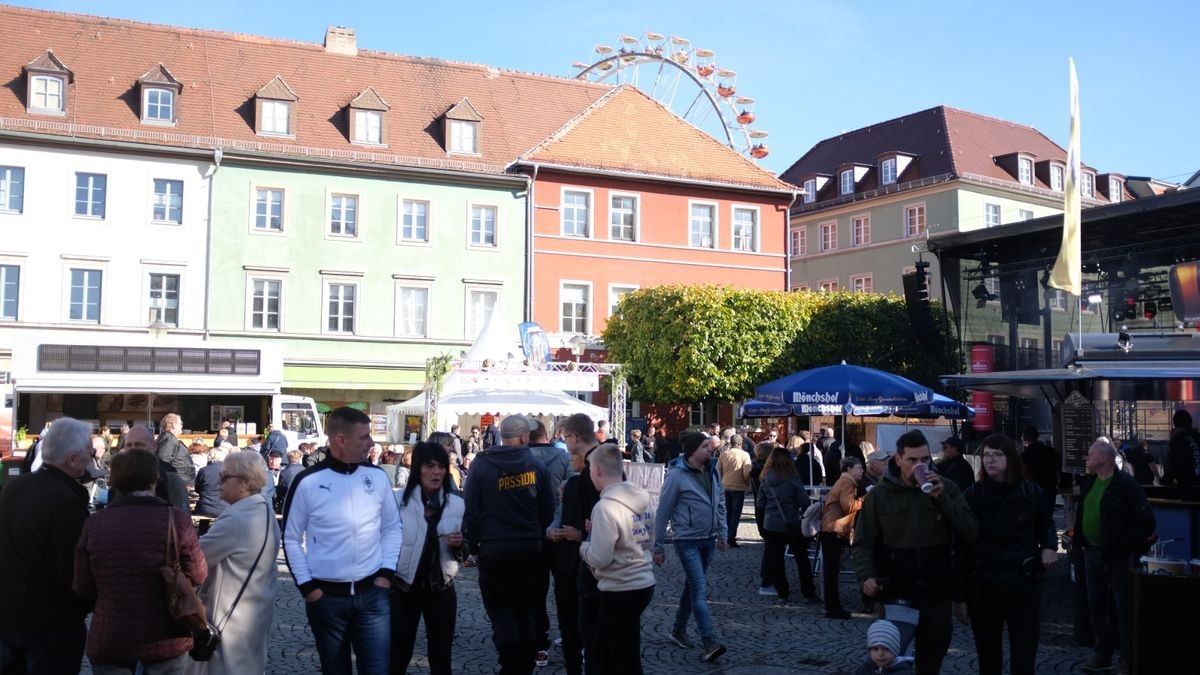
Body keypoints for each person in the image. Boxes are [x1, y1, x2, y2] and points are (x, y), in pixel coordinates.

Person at [282, 407, 402, 675]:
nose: (372, 444)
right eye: (364, 437)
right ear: (340, 440)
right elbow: (290, 538)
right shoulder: (307, 481)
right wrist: (308, 588)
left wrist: (386, 574)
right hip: (326, 599)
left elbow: (393, 526)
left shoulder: (378, 477)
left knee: (378, 671)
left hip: (373, 595)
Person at [852, 429, 979, 675]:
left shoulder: (947, 488)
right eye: (912, 460)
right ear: (898, 459)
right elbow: (863, 542)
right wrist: (866, 576)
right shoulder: (880, 495)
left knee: (931, 661)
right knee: (892, 663)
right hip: (894, 592)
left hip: (936, 592)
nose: (919, 465)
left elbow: (971, 531)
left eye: (924, 459)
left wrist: (942, 498)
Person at [73, 448, 208, 674]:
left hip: (111, 633)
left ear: (114, 481)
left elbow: (83, 586)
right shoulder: (176, 520)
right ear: (154, 478)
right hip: (166, 634)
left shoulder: (96, 524)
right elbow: (198, 574)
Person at [953, 434, 1057, 675]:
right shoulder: (973, 495)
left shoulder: (1030, 492)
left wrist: (1049, 546)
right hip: (984, 586)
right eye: (986, 455)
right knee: (988, 659)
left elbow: (1046, 524)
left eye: (997, 455)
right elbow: (961, 546)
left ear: (1010, 458)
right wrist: (960, 595)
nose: (990, 461)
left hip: (1022, 585)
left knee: (1024, 658)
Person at [462, 415, 554, 675]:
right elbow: (547, 512)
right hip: (528, 549)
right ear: (524, 438)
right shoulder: (537, 467)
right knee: (525, 607)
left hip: (494, 549)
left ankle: (510, 660)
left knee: (500, 608)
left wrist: (474, 546)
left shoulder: (481, 465)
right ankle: (524, 662)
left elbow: (470, 509)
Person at [0, 417, 93, 673]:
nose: (92, 457)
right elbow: (74, 568)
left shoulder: (14, 488)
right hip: (51, 624)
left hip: (10, 615)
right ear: (72, 459)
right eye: (90, 451)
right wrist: (88, 603)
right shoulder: (65, 501)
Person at [186, 451, 280, 675]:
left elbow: (194, 558)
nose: (218, 481)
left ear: (246, 483)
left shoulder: (236, 518)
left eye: (225, 477)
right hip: (253, 614)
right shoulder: (263, 509)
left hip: (228, 619)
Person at [1073, 438, 1156, 673]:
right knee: (1096, 605)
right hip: (1091, 551)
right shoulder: (1090, 482)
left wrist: (1129, 544)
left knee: (1122, 606)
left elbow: (1146, 519)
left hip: (1117, 554)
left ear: (1104, 458)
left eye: (1090, 454)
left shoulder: (1125, 484)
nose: (1087, 458)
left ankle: (1127, 658)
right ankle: (1103, 654)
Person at [391, 442, 467, 675]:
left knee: (441, 654)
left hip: (441, 588)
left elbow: (466, 550)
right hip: (403, 587)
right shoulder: (397, 502)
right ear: (417, 468)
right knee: (398, 652)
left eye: (442, 467)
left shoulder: (457, 504)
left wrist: (460, 544)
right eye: (430, 466)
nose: (437, 472)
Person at [580, 443, 655, 675]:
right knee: (620, 651)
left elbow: (600, 558)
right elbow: (646, 539)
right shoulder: (642, 498)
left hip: (620, 587)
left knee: (614, 658)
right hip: (642, 581)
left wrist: (583, 547)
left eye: (591, 468)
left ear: (598, 471)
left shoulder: (605, 507)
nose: (590, 473)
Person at [653, 433, 728, 663]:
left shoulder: (713, 469)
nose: (710, 449)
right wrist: (657, 546)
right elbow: (663, 511)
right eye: (705, 446)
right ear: (693, 450)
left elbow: (720, 502)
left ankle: (678, 630)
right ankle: (709, 641)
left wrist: (723, 532)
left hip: (709, 539)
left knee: (692, 586)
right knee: (699, 589)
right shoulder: (676, 476)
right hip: (686, 541)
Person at [559, 412, 608, 675]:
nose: (565, 443)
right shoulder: (601, 459)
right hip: (599, 558)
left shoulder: (595, 467)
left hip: (594, 561)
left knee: (592, 632)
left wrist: (585, 534)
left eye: (566, 437)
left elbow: (600, 512)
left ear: (575, 437)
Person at [527, 419, 569, 667]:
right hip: (560, 530)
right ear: (546, 435)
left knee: (536, 589)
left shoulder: (519, 460)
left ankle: (539, 644)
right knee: (564, 588)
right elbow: (571, 491)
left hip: (531, 531)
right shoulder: (563, 458)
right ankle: (569, 636)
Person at [546, 436, 588, 675]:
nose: (569, 459)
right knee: (567, 619)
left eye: (572, 456)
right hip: (564, 562)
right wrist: (552, 531)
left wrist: (580, 535)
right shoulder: (569, 486)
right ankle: (572, 663)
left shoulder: (595, 488)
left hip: (585, 562)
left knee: (582, 617)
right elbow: (557, 517)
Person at [759, 444, 818, 605]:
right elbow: (804, 501)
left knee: (776, 560)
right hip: (792, 522)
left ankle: (782, 592)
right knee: (802, 559)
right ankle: (808, 592)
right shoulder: (792, 478)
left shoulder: (765, 478)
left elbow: (760, 503)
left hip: (771, 524)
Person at [821, 456, 865, 619]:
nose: (862, 471)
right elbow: (849, 506)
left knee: (831, 570)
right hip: (835, 528)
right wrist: (864, 498)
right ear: (849, 469)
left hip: (832, 527)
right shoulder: (847, 482)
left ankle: (832, 606)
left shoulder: (844, 480)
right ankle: (833, 607)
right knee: (832, 571)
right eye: (859, 468)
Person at [124, 425, 189, 511]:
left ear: (154, 446)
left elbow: (182, 519)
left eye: (139, 445)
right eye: (128, 445)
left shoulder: (169, 479)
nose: (133, 449)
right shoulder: (121, 478)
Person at [748, 441, 776, 596]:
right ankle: (767, 580)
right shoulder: (767, 471)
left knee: (769, 545)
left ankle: (769, 579)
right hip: (768, 510)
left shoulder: (755, 467)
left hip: (759, 509)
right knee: (771, 547)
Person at [717, 431, 752, 547]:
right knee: (736, 514)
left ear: (731, 443)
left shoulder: (724, 454)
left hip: (725, 486)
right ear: (740, 443)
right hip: (739, 487)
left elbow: (718, 471)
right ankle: (731, 538)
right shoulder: (745, 455)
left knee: (727, 512)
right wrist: (747, 483)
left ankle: (725, 536)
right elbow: (747, 472)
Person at [1020, 425, 1061, 504]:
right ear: (1037, 436)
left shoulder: (1025, 455)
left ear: (1024, 439)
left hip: (1033, 493)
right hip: (1050, 491)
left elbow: (1023, 474)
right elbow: (1060, 466)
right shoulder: (1050, 451)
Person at [157, 412, 196, 485]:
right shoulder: (168, 438)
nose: (182, 426)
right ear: (174, 425)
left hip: (181, 482)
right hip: (178, 483)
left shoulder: (170, 438)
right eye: (180, 424)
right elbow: (163, 461)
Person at [1163, 409, 1200, 487]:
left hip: (1188, 486)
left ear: (1175, 424)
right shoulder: (1198, 437)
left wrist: (1165, 480)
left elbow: (1173, 464)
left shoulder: (1177, 440)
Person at [194, 446, 231, 518]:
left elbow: (197, 489)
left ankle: (202, 529)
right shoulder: (229, 471)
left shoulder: (203, 471)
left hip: (204, 507)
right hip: (224, 508)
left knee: (202, 526)